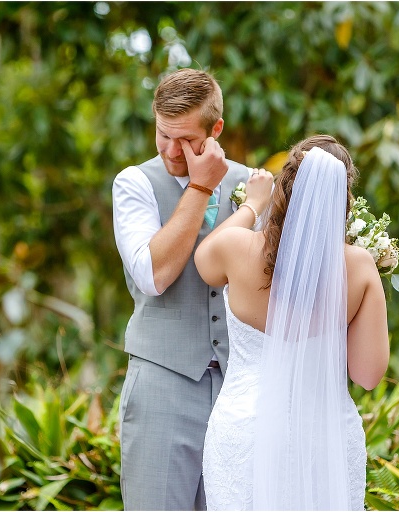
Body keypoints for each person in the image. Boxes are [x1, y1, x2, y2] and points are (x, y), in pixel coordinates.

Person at [195, 135, 390, 510]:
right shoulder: (360, 266)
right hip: (324, 440)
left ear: (284, 188)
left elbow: (204, 260)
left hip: (246, 433)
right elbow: (367, 375)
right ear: (344, 201)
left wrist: (253, 205)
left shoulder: (236, 247)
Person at [112, 68, 273, 510]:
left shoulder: (254, 187)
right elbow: (154, 275)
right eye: (162, 134)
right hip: (162, 385)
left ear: (216, 129)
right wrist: (201, 186)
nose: (170, 150)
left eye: (184, 139)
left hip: (238, 391)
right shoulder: (134, 184)